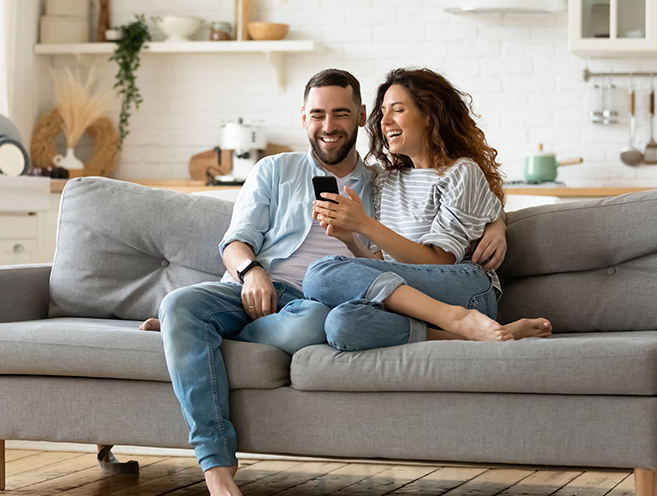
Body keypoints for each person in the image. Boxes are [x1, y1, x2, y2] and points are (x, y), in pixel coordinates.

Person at [146, 68, 509, 496]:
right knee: (178, 305)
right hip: (252, 289)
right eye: (317, 114)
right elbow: (235, 242)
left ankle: (194, 337)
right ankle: (217, 469)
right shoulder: (274, 170)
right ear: (303, 118)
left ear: (359, 116)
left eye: (340, 113)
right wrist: (252, 272)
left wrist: (498, 222)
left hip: (314, 303)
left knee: (317, 322)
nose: (328, 126)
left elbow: (455, 196)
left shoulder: (382, 180)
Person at [304, 68, 551, 351]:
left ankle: (458, 318)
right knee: (341, 324)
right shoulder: (386, 181)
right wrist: (350, 239)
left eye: (397, 110)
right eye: (383, 112)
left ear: (430, 116)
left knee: (319, 273)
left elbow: (440, 262)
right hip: (412, 296)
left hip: (463, 289)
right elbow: (385, 267)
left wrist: (365, 225)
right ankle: (467, 333)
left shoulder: (460, 173)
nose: (384, 121)